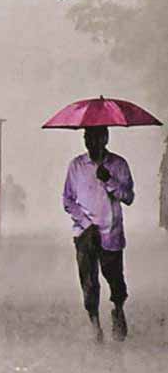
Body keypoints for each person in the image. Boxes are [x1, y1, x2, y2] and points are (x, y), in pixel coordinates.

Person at [63, 126, 134, 342]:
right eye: (86, 137)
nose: (89, 142)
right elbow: (67, 200)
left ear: (105, 138)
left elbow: (129, 197)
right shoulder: (76, 166)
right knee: (89, 280)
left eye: (94, 137)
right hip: (85, 233)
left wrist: (109, 180)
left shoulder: (118, 164)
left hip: (111, 233)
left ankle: (118, 310)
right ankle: (95, 323)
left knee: (115, 279)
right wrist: (85, 223)